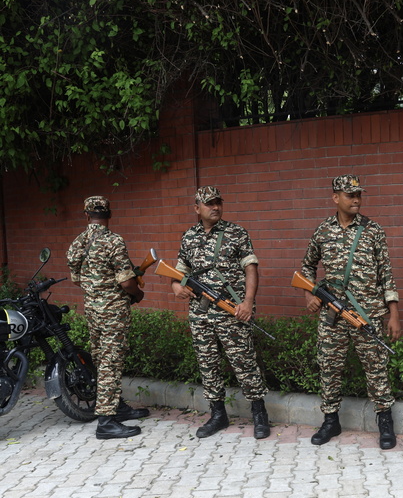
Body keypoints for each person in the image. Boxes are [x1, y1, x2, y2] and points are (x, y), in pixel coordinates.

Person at [300, 174, 401, 449]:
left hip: (366, 314)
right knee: (329, 368)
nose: (356, 199)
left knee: (376, 368)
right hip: (331, 315)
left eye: (359, 194)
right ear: (335, 198)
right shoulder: (322, 231)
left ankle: (385, 421)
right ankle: (331, 420)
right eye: (350, 195)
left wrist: (393, 314)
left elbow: (386, 275)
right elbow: (306, 267)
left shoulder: (373, 230)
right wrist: (309, 293)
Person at [170, 186, 270, 439]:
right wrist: (175, 286)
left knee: (244, 363)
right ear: (197, 208)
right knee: (207, 364)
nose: (215, 207)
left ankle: (259, 414)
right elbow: (178, 272)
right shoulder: (189, 236)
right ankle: (218, 415)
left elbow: (251, 268)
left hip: (232, 311)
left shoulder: (236, 233)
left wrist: (248, 302)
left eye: (218, 203)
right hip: (200, 315)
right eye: (209, 203)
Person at [67, 196, 150, 440]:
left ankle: (117, 407)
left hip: (93, 310)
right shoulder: (113, 241)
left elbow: (75, 278)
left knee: (102, 360)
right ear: (109, 214)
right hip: (113, 312)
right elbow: (126, 281)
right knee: (111, 363)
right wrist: (138, 293)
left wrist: (96, 288)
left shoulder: (77, 243)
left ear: (86, 215)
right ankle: (105, 421)